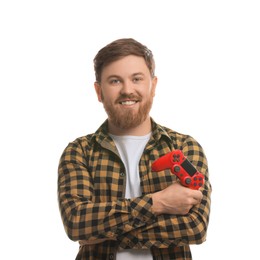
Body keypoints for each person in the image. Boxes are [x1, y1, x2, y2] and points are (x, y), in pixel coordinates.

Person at [58, 38, 212, 260]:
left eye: (136, 79)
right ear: (99, 91)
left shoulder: (185, 147)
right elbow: (77, 223)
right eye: (115, 81)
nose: (127, 90)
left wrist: (102, 232)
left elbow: (195, 228)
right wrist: (159, 202)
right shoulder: (79, 151)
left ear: (153, 86)